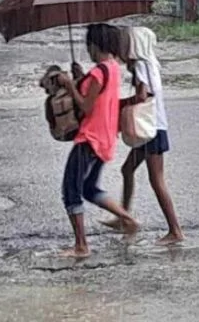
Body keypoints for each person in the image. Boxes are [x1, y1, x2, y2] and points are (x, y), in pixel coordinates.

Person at [56, 23, 140, 258]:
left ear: (94, 45)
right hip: (105, 138)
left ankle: (81, 245)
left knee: (70, 190)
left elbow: (86, 106)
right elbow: (98, 96)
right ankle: (127, 218)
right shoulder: (112, 68)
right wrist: (80, 78)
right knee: (89, 188)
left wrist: (70, 84)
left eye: (89, 46)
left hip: (89, 138)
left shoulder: (98, 72)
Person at [100, 26, 185, 246]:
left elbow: (142, 95)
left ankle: (175, 230)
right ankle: (123, 217)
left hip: (151, 129)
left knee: (156, 180)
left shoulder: (140, 66)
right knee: (127, 169)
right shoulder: (150, 64)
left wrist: (117, 104)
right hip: (152, 127)